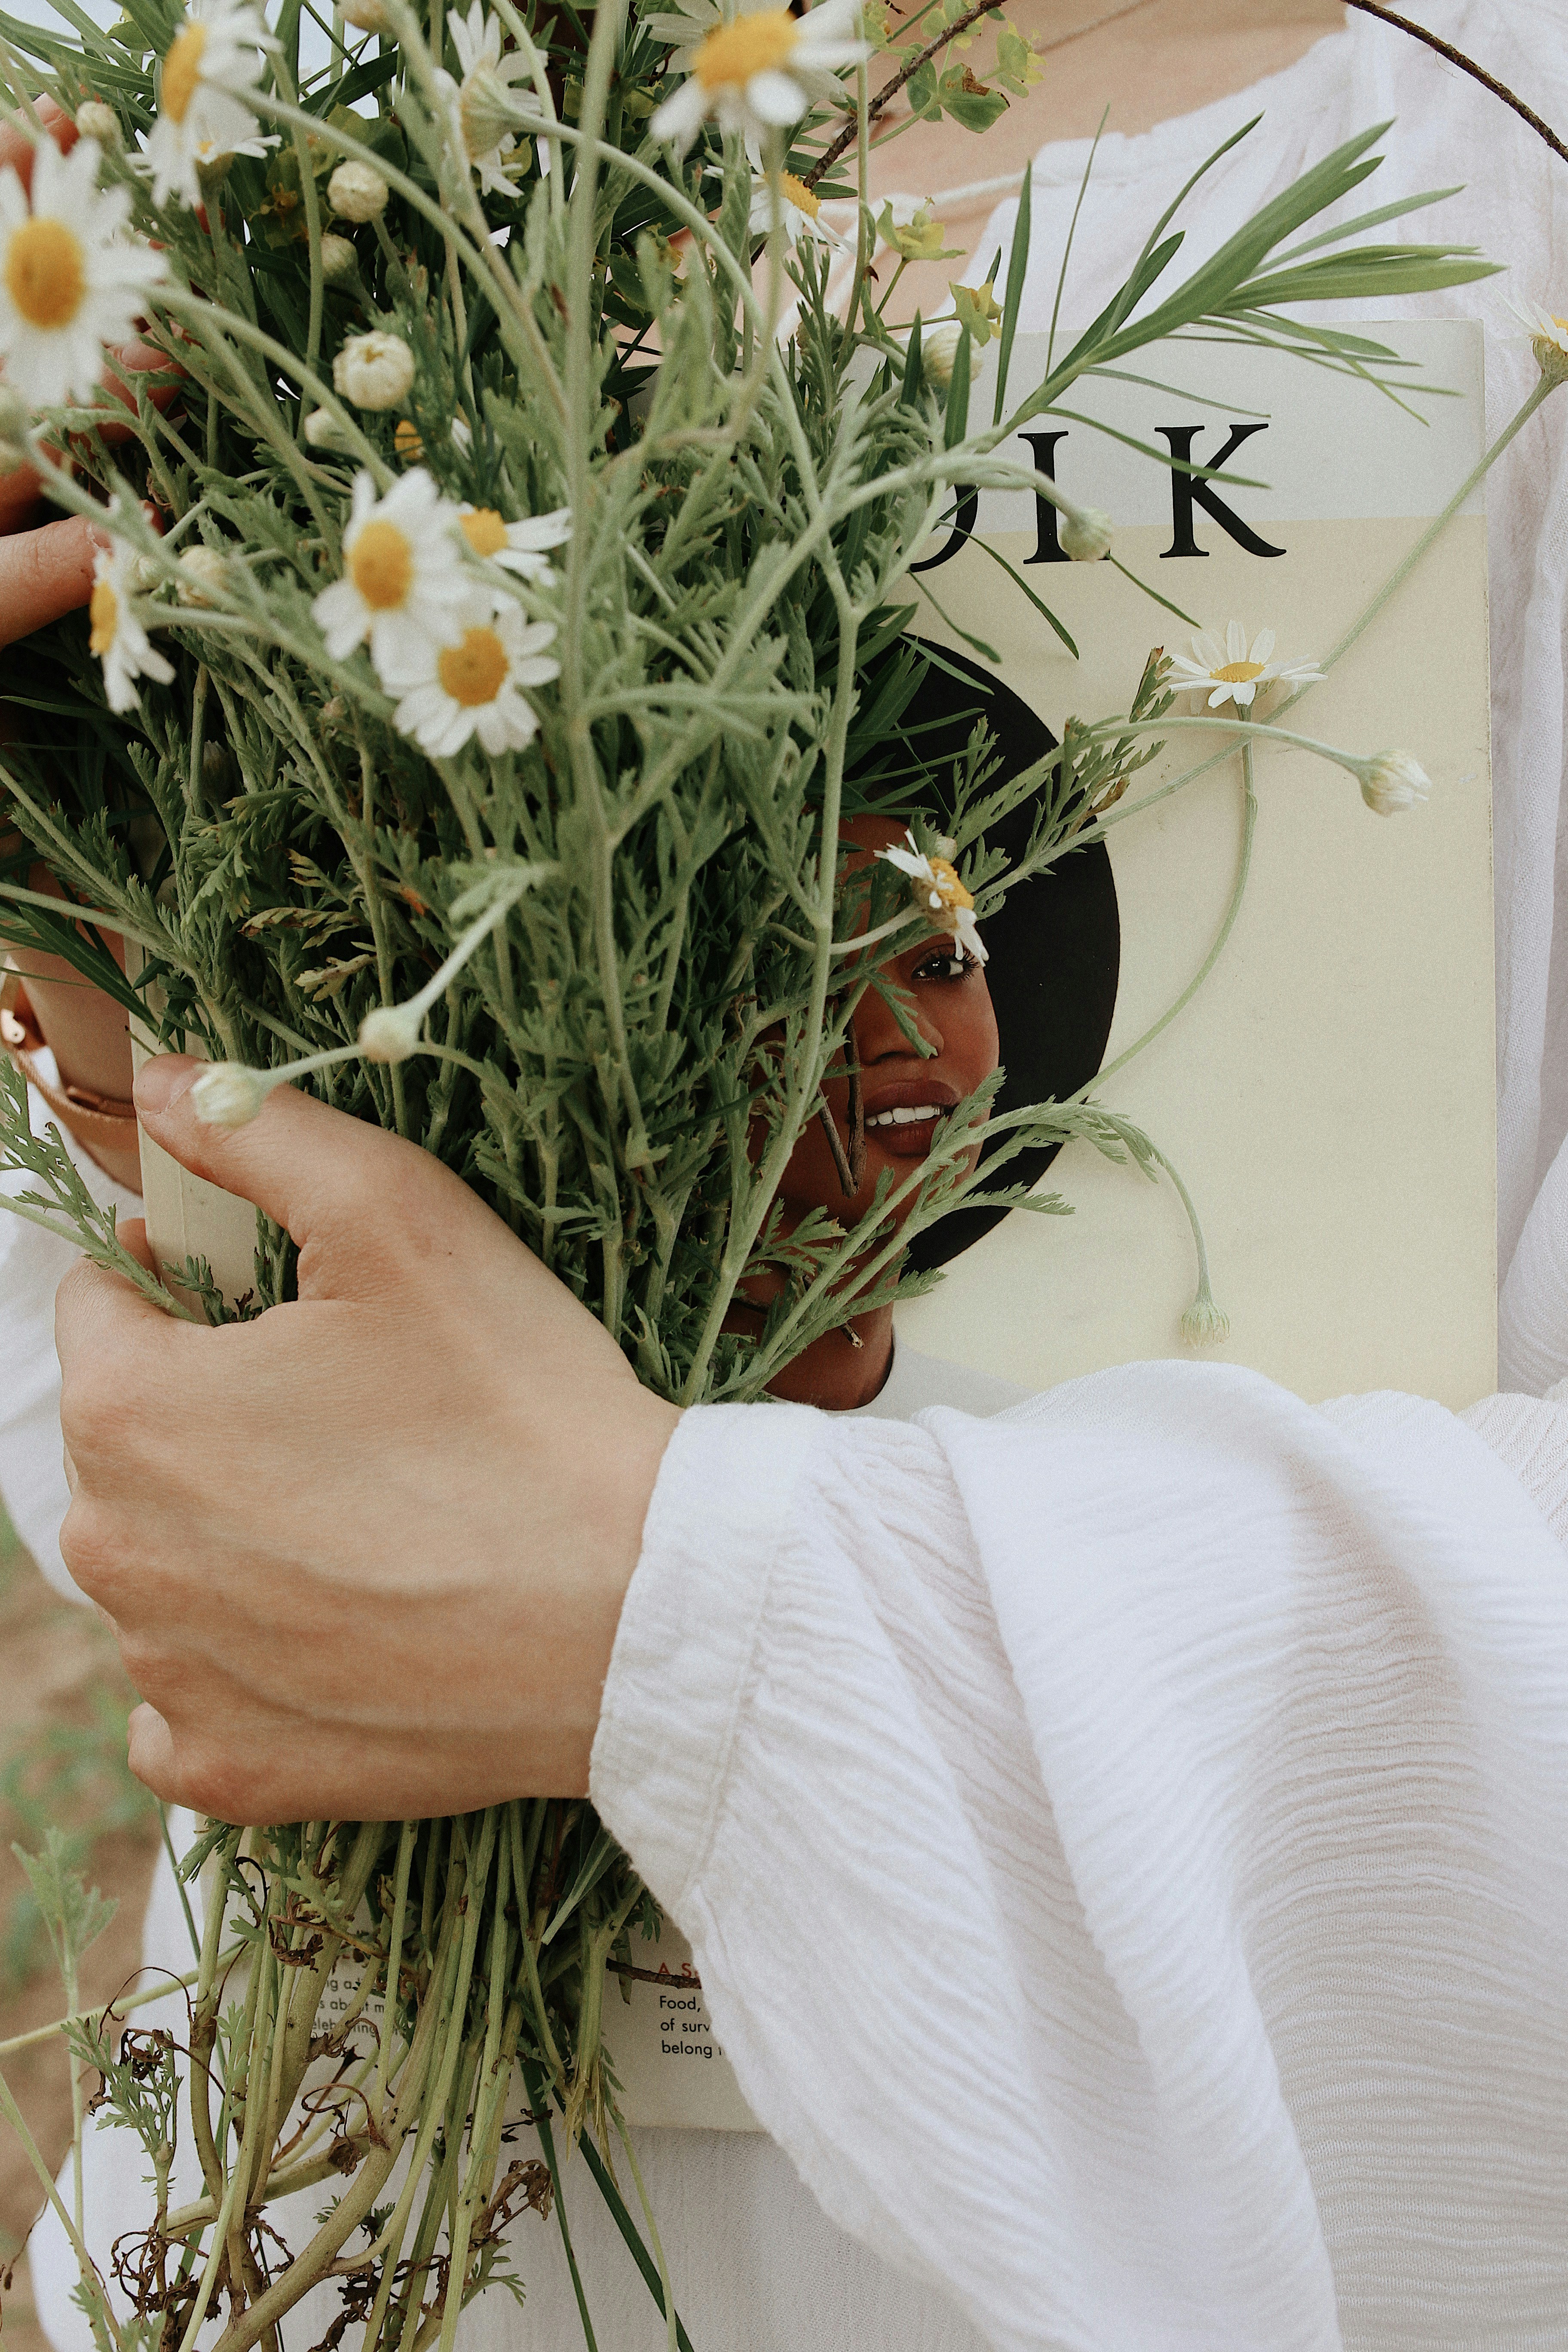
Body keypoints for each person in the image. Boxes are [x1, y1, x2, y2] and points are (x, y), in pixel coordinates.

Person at [12, 1, 1568, 2346]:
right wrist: (88, 897)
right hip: (346, 2216)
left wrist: (684, 1611)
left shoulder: (1498, 174)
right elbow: (148, 1481)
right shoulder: (296, 128)